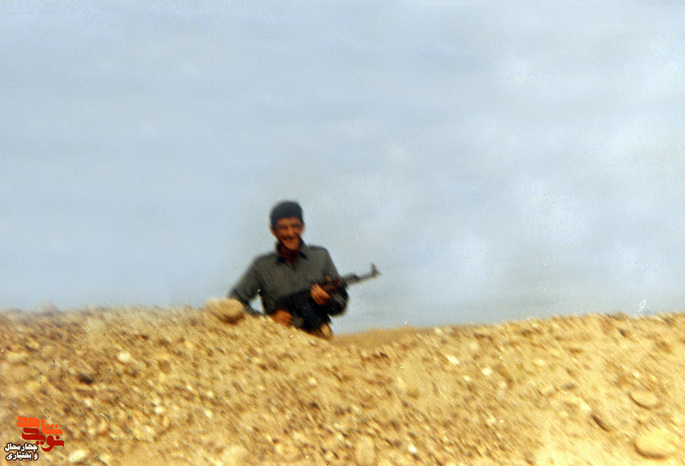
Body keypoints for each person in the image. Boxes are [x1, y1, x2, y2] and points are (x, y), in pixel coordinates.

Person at [227, 200, 347, 338]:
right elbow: (234, 303)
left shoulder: (321, 256)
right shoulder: (261, 266)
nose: (290, 233)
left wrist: (328, 301)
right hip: (280, 340)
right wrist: (267, 320)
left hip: (319, 339)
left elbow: (340, 301)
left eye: (295, 226)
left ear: (302, 226)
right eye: (283, 227)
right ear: (273, 231)